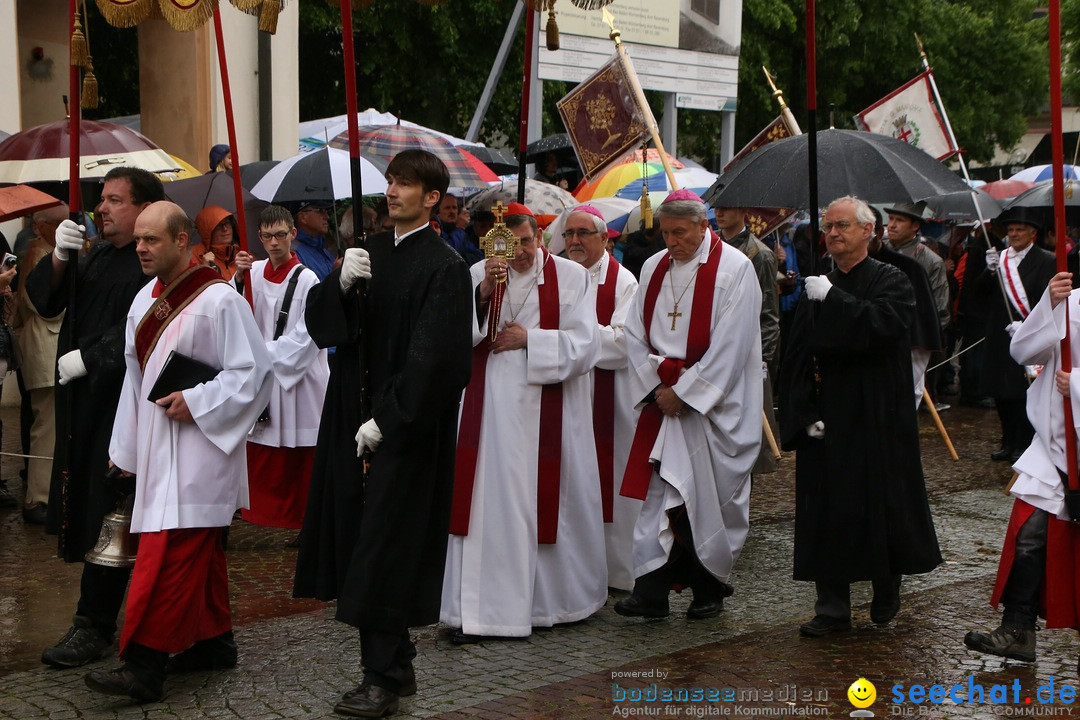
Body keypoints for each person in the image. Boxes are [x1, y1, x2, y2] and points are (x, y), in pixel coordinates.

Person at [294, 149, 472, 718]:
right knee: (359, 541)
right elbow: (322, 326)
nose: (392, 191)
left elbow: (437, 359)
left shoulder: (442, 266)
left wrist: (388, 420)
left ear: (432, 198)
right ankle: (394, 664)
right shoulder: (364, 252)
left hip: (405, 428)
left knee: (385, 547)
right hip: (350, 412)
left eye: (405, 184)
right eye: (391, 182)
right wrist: (338, 286)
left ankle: (384, 677)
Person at [82, 201, 272, 702]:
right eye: (139, 239)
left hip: (201, 454)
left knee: (168, 558)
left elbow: (254, 373)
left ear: (182, 241)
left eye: (152, 240)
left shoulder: (220, 299)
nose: (141, 248)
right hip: (155, 448)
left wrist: (199, 398)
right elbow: (134, 382)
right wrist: (123, 453)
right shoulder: (143, 299)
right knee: (197, 556)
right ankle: (214, 642)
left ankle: (143, 665)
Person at [441, 202, 607, 642]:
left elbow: (587, 345)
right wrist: (482, 297)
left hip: (547, 411)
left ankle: (549, 604)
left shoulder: (572, 278)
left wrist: (530, 339)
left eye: (528, 242)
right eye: (510, 246)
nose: (520, 254)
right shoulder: (480, 275)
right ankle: (475, 611)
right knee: (484, 506)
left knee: (545, 504)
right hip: (489, 413)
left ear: (540, 236)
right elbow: (456, 336)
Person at [778, 196, 942, 637]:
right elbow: (795, 356)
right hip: (827, 419)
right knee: (826, 510)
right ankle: (831, 607)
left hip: (875, 415)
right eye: (828, 226)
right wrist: (802, 412)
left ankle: (887, 581)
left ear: (869, 231)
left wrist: (834, 299)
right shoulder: (817, 284)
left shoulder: (895, 279)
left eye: (843, 226)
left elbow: (879, 329)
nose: (833, 233)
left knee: (878, 505)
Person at [28, 167, 164, 669]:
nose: (101, 209)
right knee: (96, 509)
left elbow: (153, 322)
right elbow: (46, 300)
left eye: (114, 200)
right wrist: (60, 257)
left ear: (145, 207)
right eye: (101, 200)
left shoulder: (151, 261)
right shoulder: (100, 254)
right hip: (85, 409)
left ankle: (94, 623)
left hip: (125, 407)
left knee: (117, 516)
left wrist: (96, 355)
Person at [613, 189, 762, 621]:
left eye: (680, 233)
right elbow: (635, 333)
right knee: (659, 496)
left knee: (705, 499)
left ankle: (707, 588)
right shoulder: (653, 266)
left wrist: (686, 392)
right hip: (663, 404)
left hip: (712, 410)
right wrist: (658, 387)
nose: (671, 242)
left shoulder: (736, 269)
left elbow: (733, 346)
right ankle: (651, 591)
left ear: (703, 226)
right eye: (665, 233)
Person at [964, 270, 1080, 665]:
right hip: (1056, 445)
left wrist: (1079, 385)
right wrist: (1050, 303)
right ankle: (1018, 629)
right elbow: (1025, 352)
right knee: (1030, 533)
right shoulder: (1073, 303)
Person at [232, 205, 328, 529]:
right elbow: (233, 310)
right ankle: (258, 511)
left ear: (293, 235)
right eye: (268, 236)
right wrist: (237, 279)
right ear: (259, 237)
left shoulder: (308, 279)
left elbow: (309, 332)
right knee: (261, 444)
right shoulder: (253, 272)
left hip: (297, 377)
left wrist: (263, 354)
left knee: (300, 452)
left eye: (280, 235)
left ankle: (303, 517)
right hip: (262, 374)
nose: (274, 243)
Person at [563, 204, 641, 591]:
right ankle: (575, 574)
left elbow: (625, 344)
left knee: (613, 486)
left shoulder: (624, 282)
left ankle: (616, 573)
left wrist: (572, 338)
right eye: (568, 234)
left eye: (583, 234)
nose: (574, 241)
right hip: (565, 398)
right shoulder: (558, 277)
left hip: (608, 402)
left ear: (604, 238)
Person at [975, 209, 1056, 462]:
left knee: (1023, 390)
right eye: (1010, 230)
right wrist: (989, 271)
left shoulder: (1047, 259)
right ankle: (1007, 440)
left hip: (1029, 332)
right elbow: (979, 292)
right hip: (1001, 334)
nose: (1014, 234)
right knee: (1000, 391)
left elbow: (1048, 297)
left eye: (1019, 230)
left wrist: (1029, 323)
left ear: (1033, 234)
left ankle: (1024, 442)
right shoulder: (1000, 259)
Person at [715, 204, 780, 475]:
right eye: (717, 208)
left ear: (743, 211)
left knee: (747, 427)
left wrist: (762, 359)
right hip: (716, 349)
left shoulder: (759, 255)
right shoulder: (712, 247)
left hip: (748, 351)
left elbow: (768, 314)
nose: (719, 213)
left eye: (727, 208)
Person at [13, 204, 67, 524]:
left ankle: (46, 494)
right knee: (45, 428)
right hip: (45, 349)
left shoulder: (45, 251)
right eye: (59, 222)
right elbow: (43, 304)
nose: (65, 226)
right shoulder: (38, 254)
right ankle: (38, 498)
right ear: (40, 226)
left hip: (47, 349)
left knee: (49, 426)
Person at [868, 207, 944, 408]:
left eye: (899, 220)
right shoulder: (874, 252)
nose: (891, 225)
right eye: (890, 219)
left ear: (915, 226)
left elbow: (937, 305)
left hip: (912, 342)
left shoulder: (928, 260)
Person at [192, 206, 241, 281]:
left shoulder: (243, 254)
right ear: (207, 231)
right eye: (219, 226)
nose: (225, 229)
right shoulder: (192, 257)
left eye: (227, 223)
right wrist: (204, 270)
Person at [292, 201, 335, 281]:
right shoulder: (293, 254)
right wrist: (336, 276)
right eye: (320, 211)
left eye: (326, 211)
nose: (327, 217)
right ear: (303, 217)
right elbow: (310, 291)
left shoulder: (324, 252)